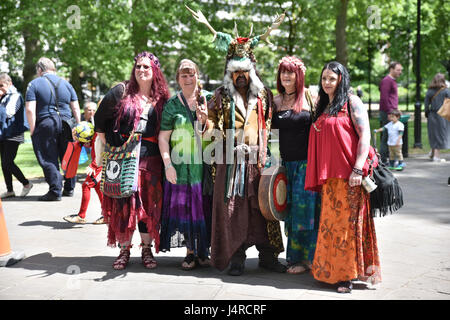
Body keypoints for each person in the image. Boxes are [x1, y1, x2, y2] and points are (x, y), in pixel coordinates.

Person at [202, 32, 286, 276]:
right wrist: (205, 124)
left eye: (244, 71)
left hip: (258, 161)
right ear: (229, 73)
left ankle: (268, 256)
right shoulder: (220, 96)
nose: (240, 76)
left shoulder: (264, 96)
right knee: (234, 210)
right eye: (236, 72)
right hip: (230, 162)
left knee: (262, 209)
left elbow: (271, 127)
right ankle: (236, 257)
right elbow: (210, 131)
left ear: (252, 71)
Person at [305, 61, 381, 293]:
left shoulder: (352, 101)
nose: (327, 82)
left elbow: (365, 134)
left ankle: (346, 276)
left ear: (341, 79)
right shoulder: (324, 105)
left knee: (346, 227)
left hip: (350, 176)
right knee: (330, 226)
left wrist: (358, 169)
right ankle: (329, 271)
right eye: (324, 78)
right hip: (330, 179)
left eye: (331, 78)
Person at [94, 51, 169, 270]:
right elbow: (100, 120)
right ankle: (124, 250)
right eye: (138, 66)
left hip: (151, 160)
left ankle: (146, 249)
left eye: (146, 67)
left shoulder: (162, 98)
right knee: (123, 205)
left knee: (147, 206)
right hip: (123, 157)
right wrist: (109, 145)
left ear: (154, 70)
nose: (141, 70)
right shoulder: (121, 91)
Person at [158, 59, 212, 270]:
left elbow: (217, 132)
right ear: (178, 79)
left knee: (205, 208)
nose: (188, 79)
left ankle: (203, 251)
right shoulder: (172, 105)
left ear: (198, 76)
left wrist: (204, 119)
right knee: (186, 210)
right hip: (179, 167)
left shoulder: (208, 99)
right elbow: (163, 138)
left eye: (192, 75)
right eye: (184, 75)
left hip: (205, 166)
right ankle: (190, 252)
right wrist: (167, 165)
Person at [271, 56, 320, 274]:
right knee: (289, 213)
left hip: (307, 165)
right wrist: (271, 164)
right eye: (283, 72)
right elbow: (270, 134)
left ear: (298, 75)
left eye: (290, 72)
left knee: (305, 212)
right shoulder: (275, 101)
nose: (286, 76)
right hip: (283, 165)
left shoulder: (311, 98)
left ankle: (305, 259)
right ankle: (295, 256)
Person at [25, 57, 81, 201]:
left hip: (46, 123)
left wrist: (32, 129)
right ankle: (69, 188)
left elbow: (30, 109)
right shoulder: (66, 84)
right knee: (68, 156)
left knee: (48, 157)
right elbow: (75, 107)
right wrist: (78, 126)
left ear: (39, 69)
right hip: (67, 123)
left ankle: (55, 191)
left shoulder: (34, 84)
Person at [0, 73, 33, 198]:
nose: (0, 88)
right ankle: (10, 190)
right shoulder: (4, 96)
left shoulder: (15, 96)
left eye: (1, 85)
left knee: (8, 162)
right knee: (4, 163)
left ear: (9, 83)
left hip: (13, 134)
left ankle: (26, 183)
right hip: (3, 134)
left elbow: (8, 113)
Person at [63, 131, 104, 224]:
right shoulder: (97, 130)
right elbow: (94, 145)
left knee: (86, 186)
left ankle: (81, 216)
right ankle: (107, 215)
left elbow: (103, 149)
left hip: (98, 164)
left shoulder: (100, 127)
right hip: (98, 164)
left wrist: (94, 165)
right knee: (98, 188)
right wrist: (80, 140)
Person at [379, 61, 402, 165]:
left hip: (392, 112)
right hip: (388, 113)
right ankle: (383, 160)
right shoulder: (387, 81)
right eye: (398, 70)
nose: (400, 72)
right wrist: (390, 113)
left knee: (390, 135)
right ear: (391, 69)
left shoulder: (392, 81)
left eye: (401, 70)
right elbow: (384, 98)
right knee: (386, 135)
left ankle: (389, 159)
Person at [424, 73, 450, 162]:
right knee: (440, 135)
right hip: (442, 115)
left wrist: (427, 114)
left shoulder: (429, 91)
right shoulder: (446, 91)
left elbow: (426, 105)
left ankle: (432, 153)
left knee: (433, 134)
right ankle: (436, 156)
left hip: (432, 114)